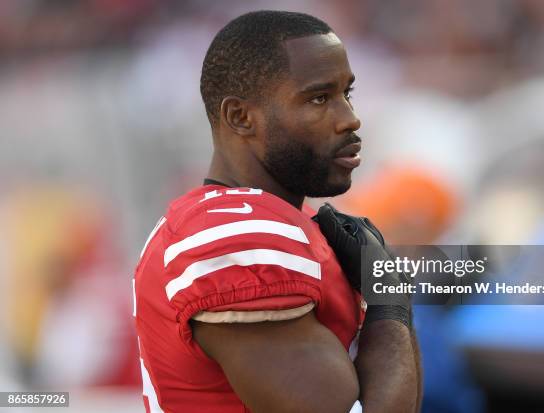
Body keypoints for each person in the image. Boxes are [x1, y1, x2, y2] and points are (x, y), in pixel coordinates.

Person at [134, 10, 421, 413]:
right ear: (240, 117)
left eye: (346, 94)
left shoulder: (274, 222)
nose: (349, 119)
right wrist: (390, 299)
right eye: (319, 98)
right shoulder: (235, 232)